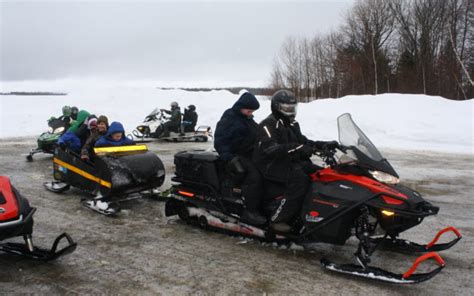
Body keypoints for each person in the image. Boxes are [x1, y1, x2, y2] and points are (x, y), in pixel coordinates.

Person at [253, 90, 338, 232]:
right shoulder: (268, 125)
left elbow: (303, 142)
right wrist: (297, 148)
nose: (291, 112)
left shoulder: (291, 124)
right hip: (270, 164)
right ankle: (278, 219)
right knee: (300, 179)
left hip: (288, 162)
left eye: (292, 108)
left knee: (321, 173)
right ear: (277, 107)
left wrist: (323, 145)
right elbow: (271, 149)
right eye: (287, 109)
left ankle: (313, 213)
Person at [214, 92, 266, 226]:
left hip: (251, 154)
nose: (250, 113)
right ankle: (250, 212)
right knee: (254, 176)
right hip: (235, 155)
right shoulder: (229, 118)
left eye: (252, 111)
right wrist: (229, 158)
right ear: (241, 106)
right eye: (249, 110)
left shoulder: (248, 119)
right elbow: (220, 141)